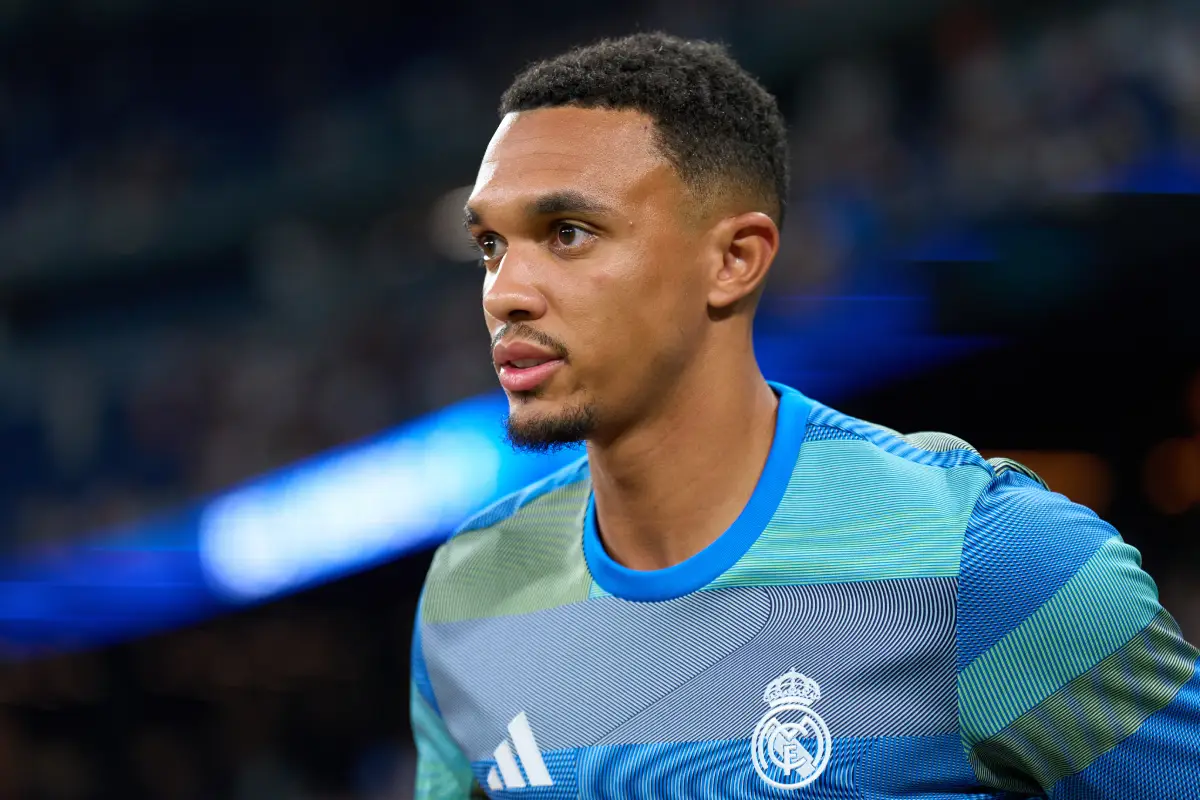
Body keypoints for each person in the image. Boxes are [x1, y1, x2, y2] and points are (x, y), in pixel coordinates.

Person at [410, 32, 1200, 799]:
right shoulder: (467, 596)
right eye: (490, 246)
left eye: (568, 233)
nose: (504, 293)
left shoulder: (985, 559)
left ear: (734, 259)